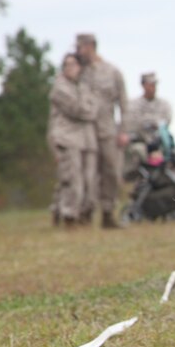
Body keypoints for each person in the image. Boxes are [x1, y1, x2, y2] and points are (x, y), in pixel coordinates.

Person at [75, 33, 129, 228]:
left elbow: (123, 103)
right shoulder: (78, 71)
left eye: (81, 46)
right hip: (84, 131)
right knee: (86, 174)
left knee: (111, 172)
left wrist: (123, 130)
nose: (78, 50)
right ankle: (84, 212)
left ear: (91, 46)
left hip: (107, 130)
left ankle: (108, 213)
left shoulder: (112, 72)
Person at [47, 53, 98, 227]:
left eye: (74, 64)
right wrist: (87, 110)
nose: (71, 68)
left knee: (89, 180)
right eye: (67, 65)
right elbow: (77, 109)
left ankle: (83, 213)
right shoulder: (59, 88)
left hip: (87, 139)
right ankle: (68, 214)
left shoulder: (84, 86)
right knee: (71, 179)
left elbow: (94, 109)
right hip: (67, 137)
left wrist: (87, 109)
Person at [123, 72, 173, 180]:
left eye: (154, 84)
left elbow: (165, 123)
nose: (152, 88)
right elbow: (132, 125)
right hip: (140, 142)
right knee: (138, 151)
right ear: (143, 85)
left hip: (160, 144)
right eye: (149, 84)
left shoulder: (164, 105)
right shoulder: (133, 104)